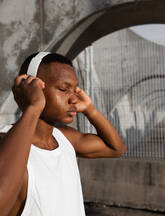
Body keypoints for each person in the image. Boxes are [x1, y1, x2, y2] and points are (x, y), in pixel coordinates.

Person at [0, 52, 126, 216]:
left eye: (75, 90)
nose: (74, 99)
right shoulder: (5, 142)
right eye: (63, 89)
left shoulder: (64, 138)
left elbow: (116, 148)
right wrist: (33, 108)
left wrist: (90, 110)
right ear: (30, 88)